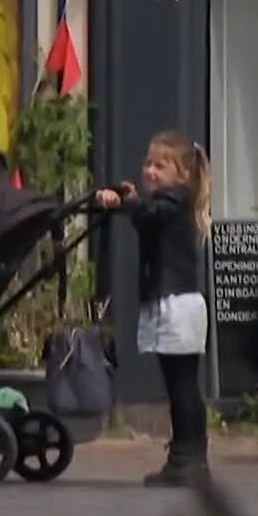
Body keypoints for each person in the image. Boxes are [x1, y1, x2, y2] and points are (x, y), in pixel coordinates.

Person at [96, 131, 212, 487]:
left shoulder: (175, 199)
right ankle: (186, 457)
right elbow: (147, 216)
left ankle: (188, 460)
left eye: (160, 165)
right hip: (175, 300)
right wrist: (130, 201)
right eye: (148, 163)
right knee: (181, 384)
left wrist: (123, 203)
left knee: (182, 386)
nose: (150, 171)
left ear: (182, 174)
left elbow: (151, 212)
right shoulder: (171, 200)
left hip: (175, 302)